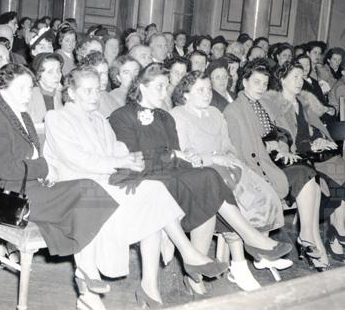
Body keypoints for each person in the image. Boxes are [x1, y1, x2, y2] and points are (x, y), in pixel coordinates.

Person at [45, 67, 232, 307]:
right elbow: (77, 159)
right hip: (80, 190)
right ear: (71, 93)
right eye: (87, 91)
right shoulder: (57, 117)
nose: (95, 96)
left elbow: (118, 148)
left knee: (153, 192)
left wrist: (129, 160)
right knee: (151, 197)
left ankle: (151, 287)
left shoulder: (99, 119)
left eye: (97, 90)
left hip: (107, 183)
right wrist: (121, 162)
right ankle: (186, 254)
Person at [109, 64, 291, 295]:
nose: (164, 93)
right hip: (143, 179)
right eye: (159, 87)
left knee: (208, 176)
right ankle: (248, 240)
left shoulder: (165, 117)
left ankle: (239, 243)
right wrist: (174, 156)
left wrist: (189, 158)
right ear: (142, 87)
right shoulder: (122, 116)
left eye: (166, 87)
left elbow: (177, 156)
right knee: (204, 183)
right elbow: (135, 158)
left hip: (168, 175)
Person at [0, 63, 118, 310]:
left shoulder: (23, 117)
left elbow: (30, 160)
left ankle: (86, 287)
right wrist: (44, 168)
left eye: (30, 88)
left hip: (30, 188)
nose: (28, 95)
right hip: (3, 196)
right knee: (87, 191)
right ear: (2, 90)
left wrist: (45, 174)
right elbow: (7, 169)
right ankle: (86, 272)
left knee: (89, 195)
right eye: (21, 88)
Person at [171, 71, 286, 291]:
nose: (207, 94)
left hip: (221, 169)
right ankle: (246, 253)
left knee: (258, 186)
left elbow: (228, 146)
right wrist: (214, 158)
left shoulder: (215, 113)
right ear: (185, 94)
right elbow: (185, 156)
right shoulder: (179, 115)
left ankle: (252, 254)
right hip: (194, 174)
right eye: (200, 90)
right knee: (224, 186)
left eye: (208, 89)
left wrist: (232, 159)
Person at [223, 60, 331, 271]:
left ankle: (309, 237)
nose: (261, 87)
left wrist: (281, 148)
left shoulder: (261, 104)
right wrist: (271, 150)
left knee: (311, 177)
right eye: (256, 82)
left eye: (264, 83)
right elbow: (239, 152)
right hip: (255, 169)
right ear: (244, 82)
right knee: (305, 173)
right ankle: (308, 239)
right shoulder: (234, 110)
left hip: (271, 161)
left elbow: (279, 133)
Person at [260, 61, 345, 264]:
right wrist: (306, 145)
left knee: (339, 165)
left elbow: (313, 130)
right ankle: (325, 237)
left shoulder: (303, 102)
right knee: (328, 175)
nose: (300, 81)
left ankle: (337, 228)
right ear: (282, 79)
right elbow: (279, 137)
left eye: (301, 77)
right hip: (292, 157)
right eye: (295, 77)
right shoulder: (272, 104)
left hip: (309, 152)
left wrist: (319, 139)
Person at [78, 52, 119, 117]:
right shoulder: (85, 102)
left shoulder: (106, 95)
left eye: (106, 73)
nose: (105, 78)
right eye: (100, 74)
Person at [27, 53, 64, 123]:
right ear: (38, 75)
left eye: (58, 70)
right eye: (50, 72)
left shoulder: (64, 95)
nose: (56, 76)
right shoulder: (28, 97)